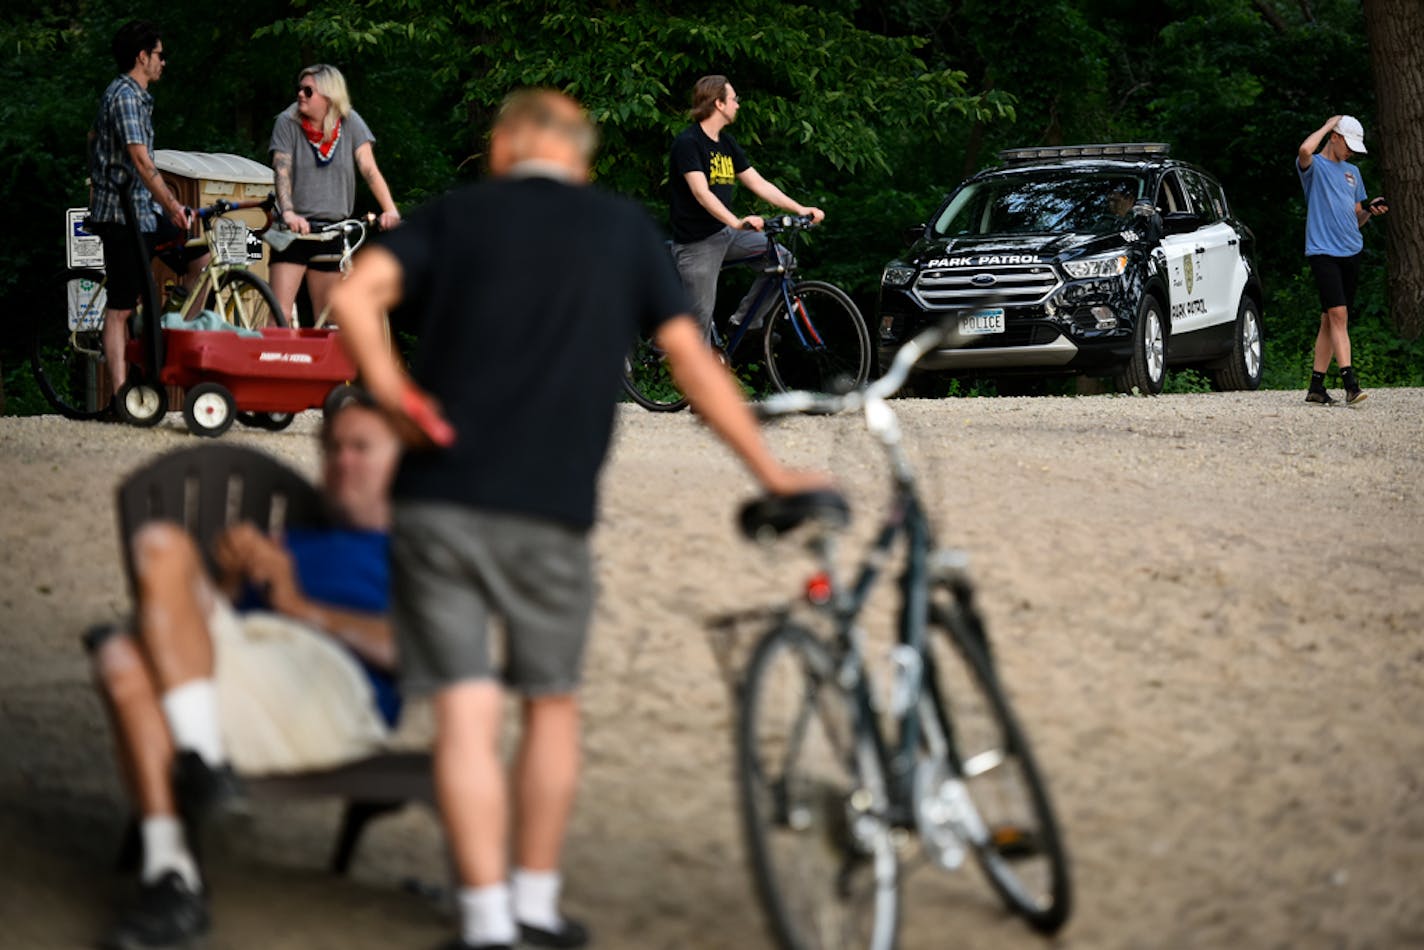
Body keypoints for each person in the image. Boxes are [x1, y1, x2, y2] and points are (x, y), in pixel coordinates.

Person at [327, 88, 827, 950]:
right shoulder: (620, 229)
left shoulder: (458, 216)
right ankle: (534, 905)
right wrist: (772, 470)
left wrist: (399, 396)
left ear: (504, 146)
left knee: (466, 713)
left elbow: (353, 298)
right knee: (551, 707)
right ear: (580, 158)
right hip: (549, 509)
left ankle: (485, 924)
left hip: (437, 503)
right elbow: (694, 370)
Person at [90, 395, 402, 949]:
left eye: (362, 448)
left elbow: (412, 651)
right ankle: (183, 834)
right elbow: (204, 638)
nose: (341, 461)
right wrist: (234, 582)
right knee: (160, 549)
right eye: (332, 448)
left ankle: (172, 864)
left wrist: (298, 603)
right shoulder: (292, 540)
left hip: (327, 691)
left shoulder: (417, 552)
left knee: (122, 659)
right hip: (244, 669)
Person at [87, 20, 207, 408]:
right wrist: (173, 205)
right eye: (159, 54)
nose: (163, 62)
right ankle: (122, 396)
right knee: (121, 307)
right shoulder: (123, 96)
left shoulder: (138, 98)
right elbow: (140, 161)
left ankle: (165, 329)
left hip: (143, 213)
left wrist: (166, 208)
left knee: (200, 258)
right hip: (120, 216)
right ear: (142, 57)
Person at [668, 75, 825, 334]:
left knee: (782, 260)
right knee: (699, 324)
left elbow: (758, 183)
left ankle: (744, 322)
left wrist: (800, 209)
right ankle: (664, 358)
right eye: (733, 99)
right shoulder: (688, 142)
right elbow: (700, 192)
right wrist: (737, 222)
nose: (737, 105)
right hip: (697, 243)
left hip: (725, 234)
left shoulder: (726, 143)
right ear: (719, 103)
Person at [268, 64, 402, 325]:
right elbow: (281, 169)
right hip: (294, 230)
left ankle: (320, 367)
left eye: (309, 91)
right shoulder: (287, 121)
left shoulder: (350, 121)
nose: (301, 95)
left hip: (332, 230)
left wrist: (390, 209)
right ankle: (272, 365)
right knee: (280, 314)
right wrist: (289, 212)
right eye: (299, 89)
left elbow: (368, 168)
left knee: (328, 320)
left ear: (329, 96)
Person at [1295, 114, 1389, 405]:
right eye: (1348, 144)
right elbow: (1304, 150)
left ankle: (1316, 387)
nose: (1350, 152)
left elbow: (1356, 217)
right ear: (1334, 137)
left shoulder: (1353, 173)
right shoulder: (1315, 167)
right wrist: (1326, 124)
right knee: (1339, 316)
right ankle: (1350, 383)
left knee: (1329, 319)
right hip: (1323, 252)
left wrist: (1368, 212)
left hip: (1351, 250)